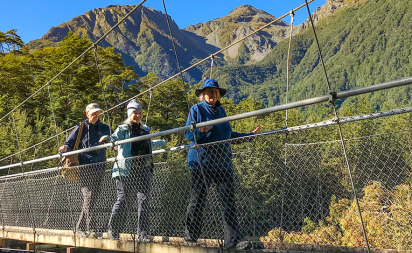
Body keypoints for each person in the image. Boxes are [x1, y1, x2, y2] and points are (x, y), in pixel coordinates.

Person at [184, 79, 263, 249]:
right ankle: (190, 238)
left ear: (218, 94)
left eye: (215, 92)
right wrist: (200, 130)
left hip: (223, 163)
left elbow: (227, 134)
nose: (212, 95)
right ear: (203, 95)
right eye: (209, 92)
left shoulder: (221, 111)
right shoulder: (196, 109)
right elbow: (188, 135)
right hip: (202, 163)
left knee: (228, 203)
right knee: (197, 201)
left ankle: (232, 242)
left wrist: (249, 136)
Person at [99, 99, 166, 241]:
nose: (138, 115)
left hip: (143, 168)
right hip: (126, 170)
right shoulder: (123, 129)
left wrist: (161, 142)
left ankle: (142, 234)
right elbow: (115, 139)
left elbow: (148, 144)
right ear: (130, 114)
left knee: (144, 200)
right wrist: (107, 139)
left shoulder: (145, 130)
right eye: (135, 113)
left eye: (140, 113)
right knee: (123, 199)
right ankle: (113, 230)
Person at [59, 103, 112, 238]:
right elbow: (68, 143)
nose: (95, 115)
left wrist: (112, 142)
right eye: (93, 113)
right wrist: (65, 149)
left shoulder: (105, 128)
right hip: (84, 167)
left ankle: (79, 228)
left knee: (91, 199)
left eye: (97, 113)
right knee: (88, 197)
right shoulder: (80, 128)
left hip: (100, 166)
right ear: (87, 114)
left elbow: (114, 141)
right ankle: (93, 229)